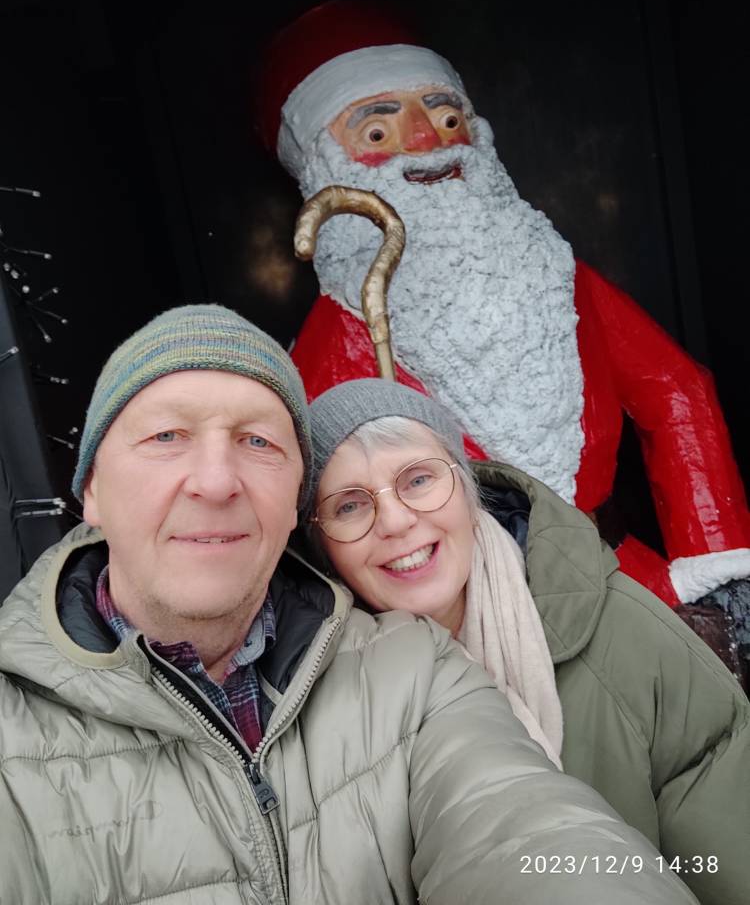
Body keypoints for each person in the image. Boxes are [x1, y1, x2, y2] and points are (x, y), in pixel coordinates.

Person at [0, 305, 699, 904]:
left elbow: (525, 828)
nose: (215, 481)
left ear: (289, 503)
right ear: (91, 489)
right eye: (166, 437)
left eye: (256, 441)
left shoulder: (411, 669)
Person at [256, 0, 750, 612]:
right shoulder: (336, 342)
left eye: (446, 118)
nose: (426, 141)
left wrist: (716, 562)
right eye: (378, 132)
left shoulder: (552, 275)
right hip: (470, 613)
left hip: (626, 585)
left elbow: (675, 389)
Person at [307, 377, 750, 905]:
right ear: (321, 546)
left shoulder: (622, 631)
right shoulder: (309, 709)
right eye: (350, 506)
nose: (397, 521)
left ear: (467, 489)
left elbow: (722, 854)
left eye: (419, 479)